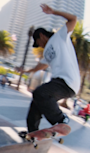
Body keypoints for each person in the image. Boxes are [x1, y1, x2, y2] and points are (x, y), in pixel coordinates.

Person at [20, 4, 80, 134]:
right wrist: (25, 71)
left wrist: (53, 12)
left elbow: (73, 19)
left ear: (41, 36)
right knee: (36, 102)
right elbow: (39, 67)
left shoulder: (60, 36)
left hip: (68, 81)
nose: (39, 46)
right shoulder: (47, 52)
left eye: (38, 43)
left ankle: (61, 120)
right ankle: (32, 133)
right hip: (59, 83)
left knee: (40, 93)